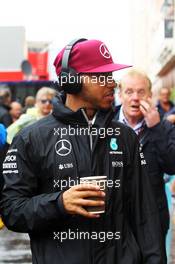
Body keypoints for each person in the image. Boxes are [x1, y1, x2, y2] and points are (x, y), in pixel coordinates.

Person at [1, 39, 165, 264]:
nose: (111, 83)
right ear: (71, 81)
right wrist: (59, 203)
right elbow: (11, 210)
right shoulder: (31, 138)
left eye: (111, 76)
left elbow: (145, 214)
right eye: (101, 76)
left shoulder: (125, 137)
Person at [114, 69, 175, 255]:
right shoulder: (105, 124)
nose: (135, 98)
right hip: (117, 215)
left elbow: (172, 165)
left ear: (150, 95)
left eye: (141, 92)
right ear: (120, 95)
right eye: (129, 92)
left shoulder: (163, 126)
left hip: (152, 216)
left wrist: (156, 128)